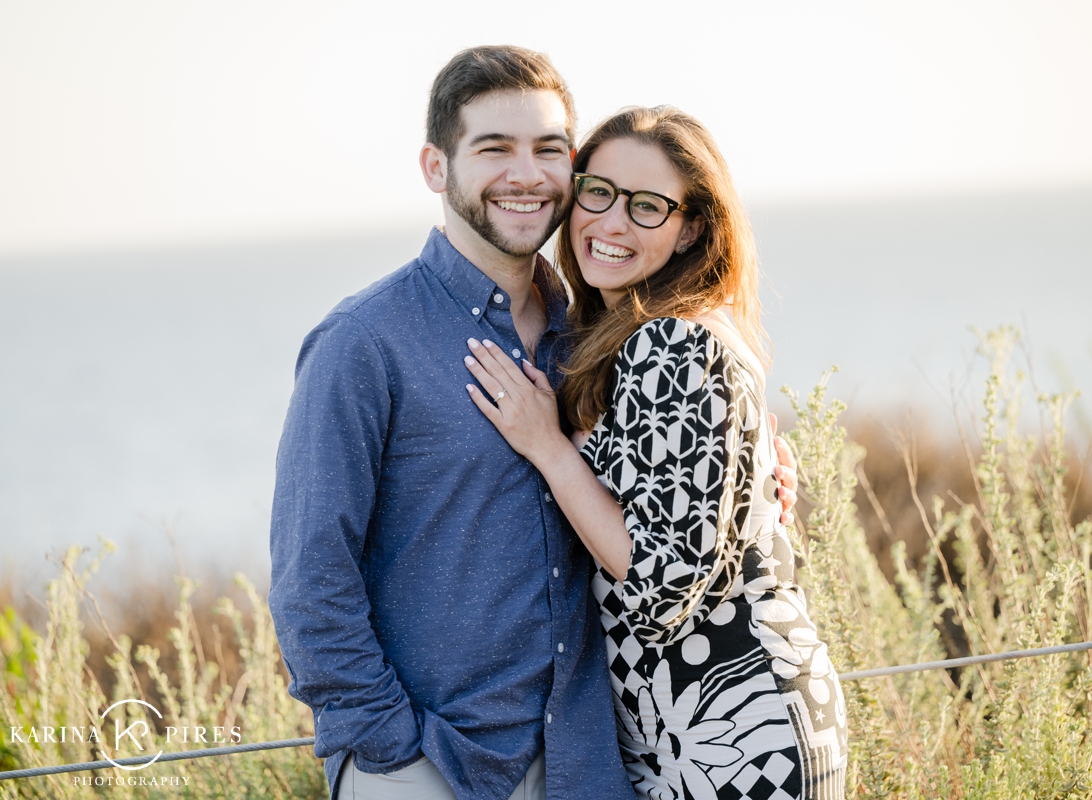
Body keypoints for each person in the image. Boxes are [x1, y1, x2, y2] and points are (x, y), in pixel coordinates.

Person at [268, 47, 799, 800]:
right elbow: (309, 581)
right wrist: (390, 754)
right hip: (431, 763)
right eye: (494, 148)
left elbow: (670, 507)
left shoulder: (590, 343)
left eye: (550, 150)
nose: (527, 174)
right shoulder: (363, 343)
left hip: (590, 763)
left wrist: (755, 472)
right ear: (435, 167)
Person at [462, 106, 849, 799]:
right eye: (598, 191)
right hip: (710, 723)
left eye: (647, 207)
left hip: (730, 730)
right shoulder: (638, 335)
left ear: (691, 227)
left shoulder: (671, 343)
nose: (610, 223)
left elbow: (661, 586)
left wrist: (549, 447)